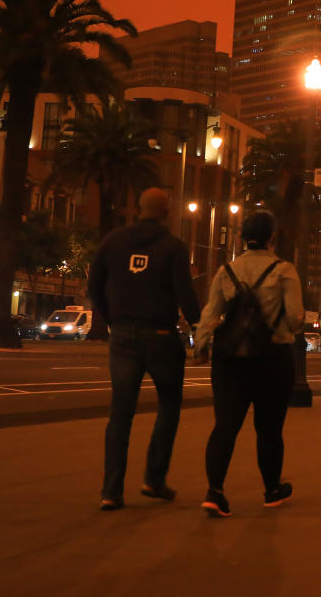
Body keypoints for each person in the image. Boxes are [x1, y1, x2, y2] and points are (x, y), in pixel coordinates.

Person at [88, 187, 200, 511]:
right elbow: (185, 295)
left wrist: (112, 318)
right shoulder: (174, 248)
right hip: (162, 335)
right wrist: (200, 331)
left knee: (120, 414)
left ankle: (111, 491)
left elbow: (94, 283)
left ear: (138, 208)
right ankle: (153, 477)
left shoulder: (113, 241)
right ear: (167, 211)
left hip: (123, 337)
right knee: (168, 406)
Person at [192, 210, 303, 518]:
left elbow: (209, 314)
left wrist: (200, 347)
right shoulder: (285, 271)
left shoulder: (225, 271)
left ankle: (215, 492)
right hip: (273, 360)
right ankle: (271, 491)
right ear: (272, 238)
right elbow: (294, 318)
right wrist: (283, 328)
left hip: (229, 362)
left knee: (225, 426)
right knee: (269, 429)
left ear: (242, 238)